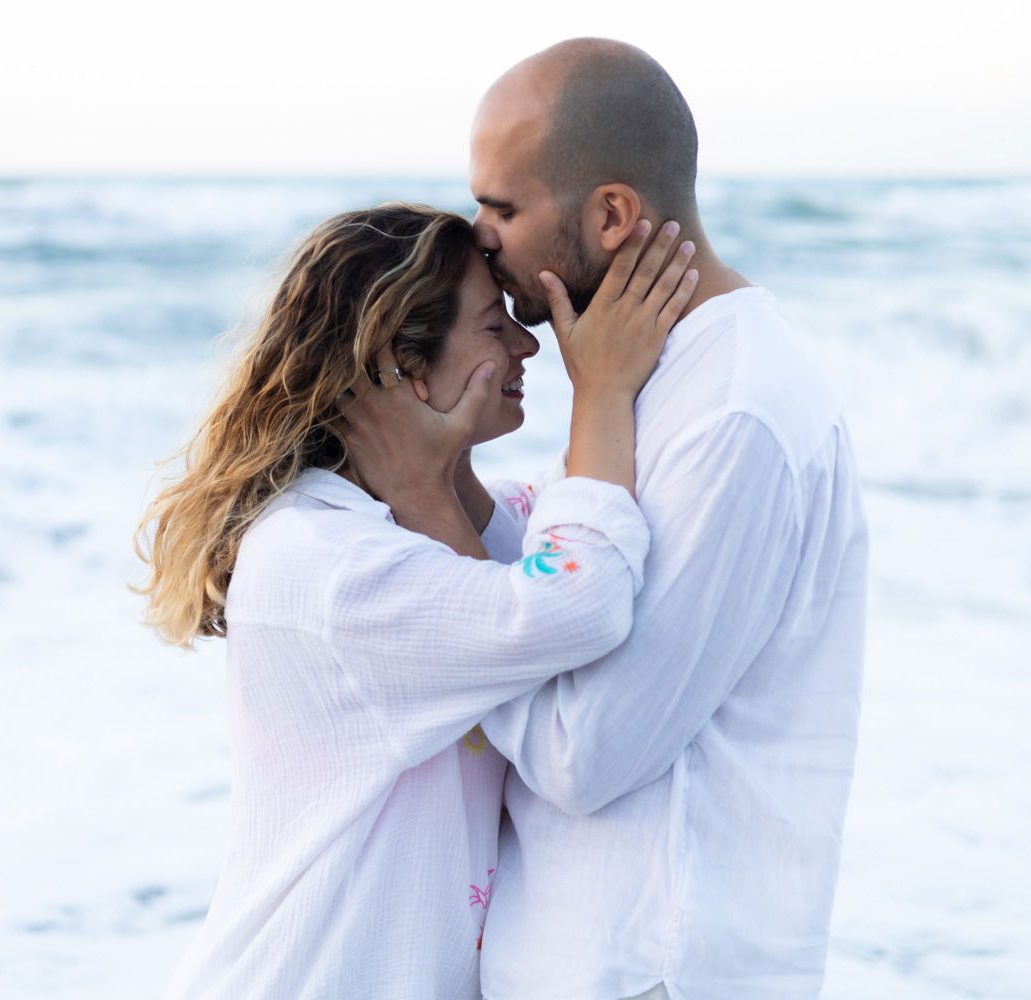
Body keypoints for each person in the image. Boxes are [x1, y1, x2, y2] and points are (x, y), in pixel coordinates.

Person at [363, 39, 870, 999]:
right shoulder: (646, 376)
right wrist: (446, 482)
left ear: (610, 216)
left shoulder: (734, 414)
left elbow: (581, 753)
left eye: (502, 208)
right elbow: (567, 601)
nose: (478, 237)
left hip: (651, 971)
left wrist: (431, 513)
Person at [136, 203, 698, 999]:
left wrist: (439, 475)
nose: (528, 344)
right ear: (404, 365)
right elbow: (578, 603)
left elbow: (542, 544)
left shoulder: (404, 526)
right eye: (494, 326)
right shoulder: (326, 557)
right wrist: (600, 393)